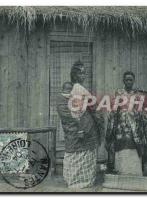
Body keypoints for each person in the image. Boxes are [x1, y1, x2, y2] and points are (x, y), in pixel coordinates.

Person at [56, 60, 102, 189]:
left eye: (84, 73)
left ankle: (87, 179)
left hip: (88, 126)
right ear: (74, 75)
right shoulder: (71, 88)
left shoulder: (81, 89)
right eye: (81, 73)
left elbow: (92, 105)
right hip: (77, 126)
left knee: (88, 152)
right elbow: (68, 109)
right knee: (74, 152)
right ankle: (74, 181)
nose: (83, 76)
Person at [106, 71, 147, 176]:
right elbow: (114, 109)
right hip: (121, 125)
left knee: (134, 146)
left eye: (131, 80)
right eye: (127, 80)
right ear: (123, 81)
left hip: (135, 126)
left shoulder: (138, 95)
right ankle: (122, 171)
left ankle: (134, 172)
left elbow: (142, 110)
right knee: (122, 145)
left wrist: (142, 119)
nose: (129, 82)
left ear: (133, 81)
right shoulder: (119, 93)